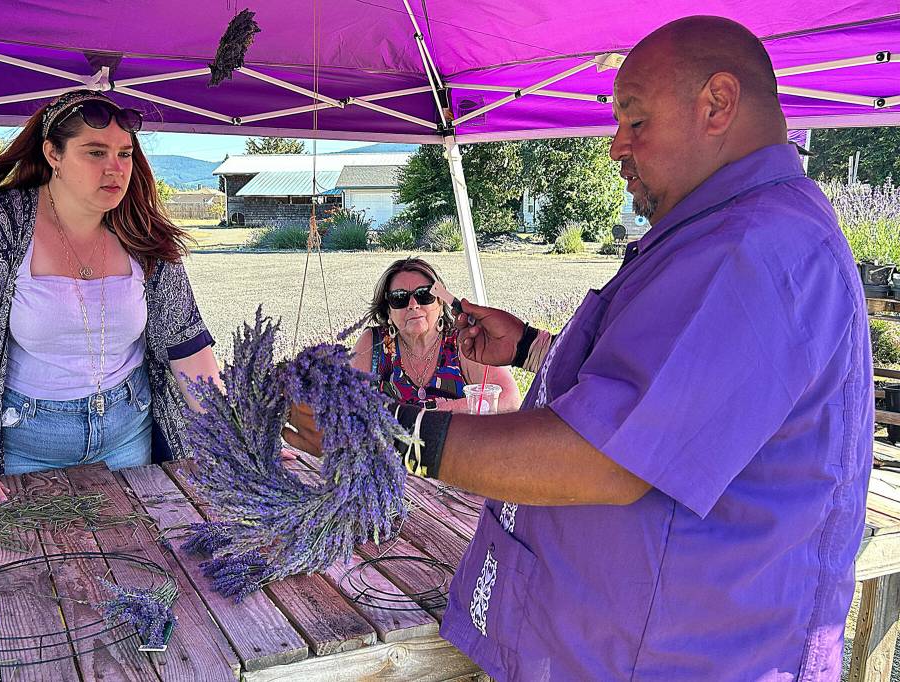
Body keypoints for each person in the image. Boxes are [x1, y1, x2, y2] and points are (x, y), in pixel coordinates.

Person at [287, 16, 872, 680]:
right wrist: (533, 347)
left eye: (636, 122)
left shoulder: (753, 250)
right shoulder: (727, 233)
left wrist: (383, 434)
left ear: (717, 104)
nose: (616, 145)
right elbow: (662, 391)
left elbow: (603, 458)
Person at [0, 89, 219, 508]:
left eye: (124, 154)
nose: (115, 169)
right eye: (95, 153)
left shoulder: (141, 231)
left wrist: (236, 442)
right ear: (53, 154)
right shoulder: (1, 226)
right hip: (26, 444)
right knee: (32, 565)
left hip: (128, 435)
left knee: (132, 556)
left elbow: (188, 348)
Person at [350, 257, 519, 412]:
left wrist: (443, 411)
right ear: (388, 310)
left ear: (440, 302)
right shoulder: (375, 343)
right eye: (399, 298)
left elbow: (509, 400)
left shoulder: (463, 342)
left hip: (458, 444)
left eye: (424, 295)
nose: (413, 305)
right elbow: (346, 406)